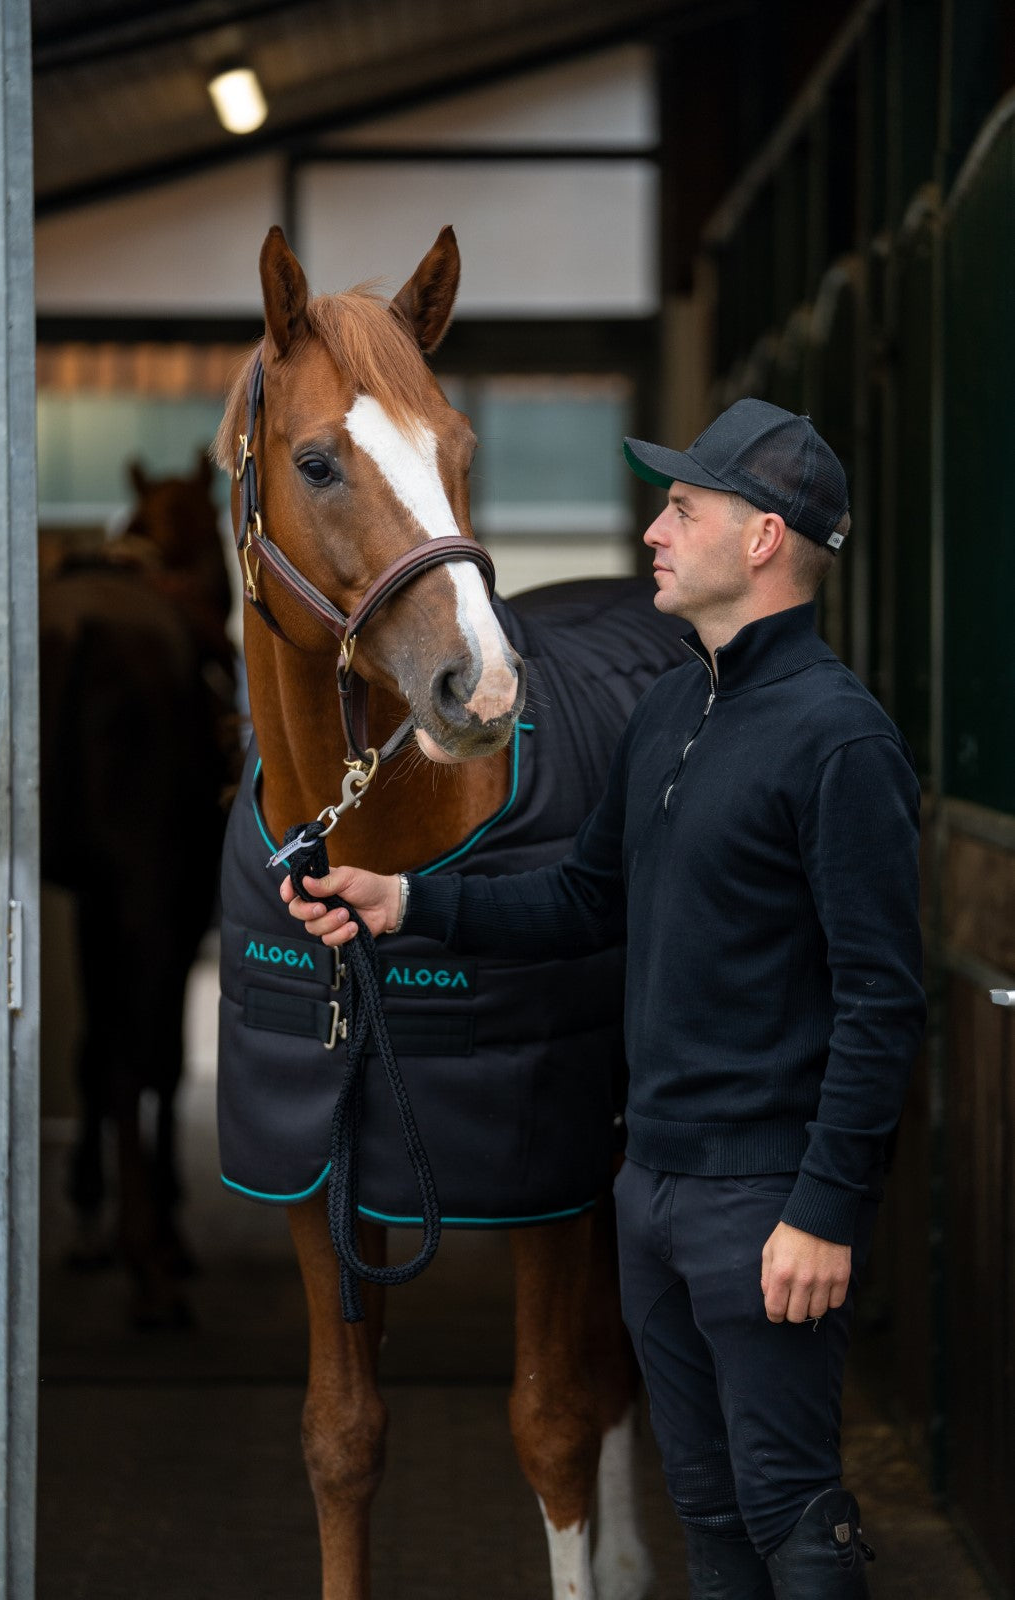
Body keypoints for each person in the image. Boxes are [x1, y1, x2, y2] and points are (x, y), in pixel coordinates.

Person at [280, 397, 926, 1598]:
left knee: (794, 1511)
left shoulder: (841, 742)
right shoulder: (678, 709)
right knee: (707, 1511)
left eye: (684, 508)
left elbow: (882, 1000)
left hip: (766, 1204)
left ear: (765, 539)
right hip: (650, 1190)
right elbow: (584, 901)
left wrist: (826, 1209)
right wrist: (404, 903)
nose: (652, 534)